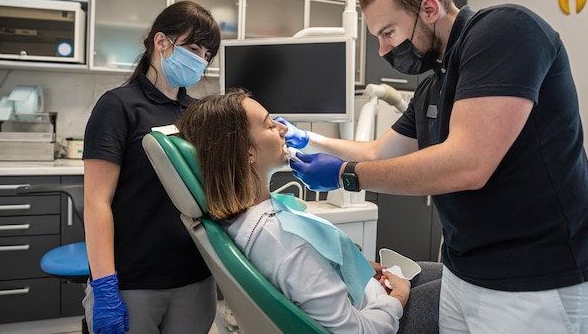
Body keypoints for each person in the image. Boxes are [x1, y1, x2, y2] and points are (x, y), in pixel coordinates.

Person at [275, 0, 588, 333]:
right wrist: (308, 139)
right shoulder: (434, 84)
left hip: (537, 277)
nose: (384, 50)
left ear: (430, 9)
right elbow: (378, 151)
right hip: (465, 271)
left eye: (388, 33)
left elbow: (468, 164)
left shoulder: (505, 30)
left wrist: (346, 175)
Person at [176, 88, 442, 334]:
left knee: (437, 272)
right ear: (247, 153)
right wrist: (398, 298)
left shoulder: (247, 219)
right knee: (458, 285)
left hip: (366, 292)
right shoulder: (286, 244)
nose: (281, 129)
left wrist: (345, 264)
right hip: (382, 317)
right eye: (270, 125)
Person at [82, 0, 221, 334]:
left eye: (207, 54)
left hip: (194, 278)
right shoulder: (118, 106)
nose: (201, 59)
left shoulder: (199, 114)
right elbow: (96, 202)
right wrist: (104, 286)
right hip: (134, 281)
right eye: (193, 47)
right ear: (162, 42)